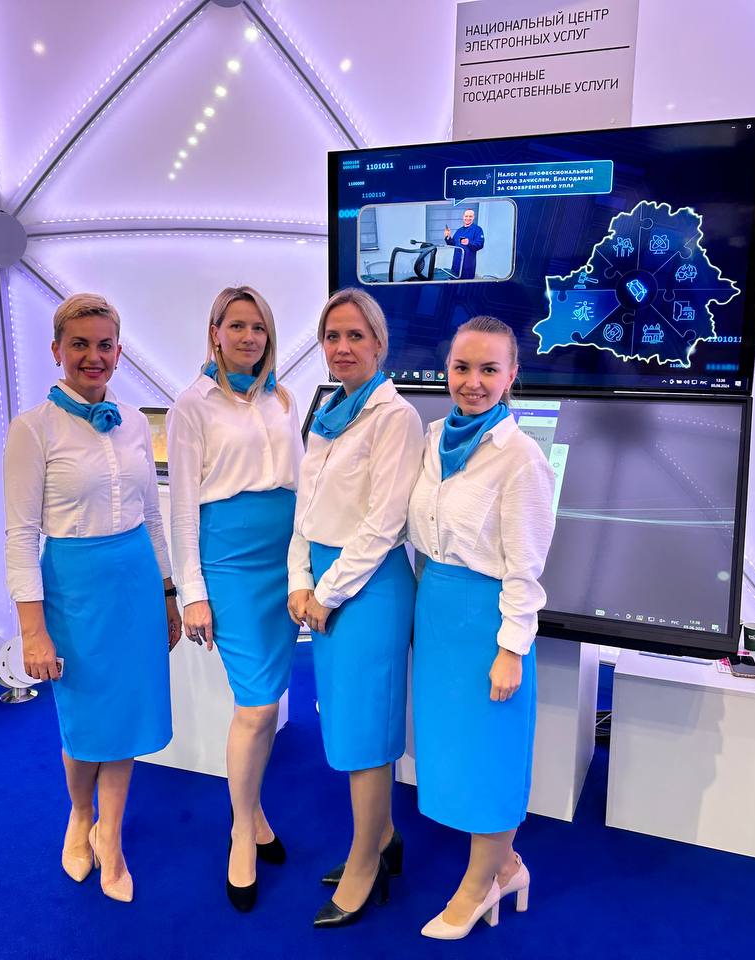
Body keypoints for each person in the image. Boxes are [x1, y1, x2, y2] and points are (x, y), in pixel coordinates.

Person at [3, 292, 181, 904]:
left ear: (119, 351)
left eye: (104, 345)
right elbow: (20, 536)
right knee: (84, 716)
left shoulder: (133, 422)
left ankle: (113, 834)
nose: (93, 356)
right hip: (73, 587)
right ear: (56, 350)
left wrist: (167, 593)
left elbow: (151, 516)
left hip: (134, 580)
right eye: (79, 344)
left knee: (125, 713)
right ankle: (80, 816)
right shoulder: (31, 429)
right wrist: (32, 630)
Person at [406, 315, 556, 939]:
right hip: (436, 608)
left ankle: (477, 887)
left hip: (487, 620)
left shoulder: (521, 458)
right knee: (453, 749)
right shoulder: (433, 438)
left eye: (489, 369)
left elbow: (526, 567)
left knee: (491, 755)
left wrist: (511, 648)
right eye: (462, 367)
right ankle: (509, 867)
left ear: (512, 374)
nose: (473, 381)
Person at [288, 288, 425, 928]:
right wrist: (299, 580)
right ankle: (384, 838)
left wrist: (325, 591)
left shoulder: (395, 417)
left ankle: (366, 862)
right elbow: (306, 509)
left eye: (355, 336)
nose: (342, 347)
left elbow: (382, 523)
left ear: (378, 344)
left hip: (367, 589)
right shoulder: (329, 411)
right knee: (347, 723)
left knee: (366, 735)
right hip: (326, 582)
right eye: (332, 336)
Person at [166, 286, 304, 913]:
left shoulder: (282, 398)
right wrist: (191, 592)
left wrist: (304, 566)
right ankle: (241, 831)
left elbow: (300, 484)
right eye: (238, 326)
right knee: (255, 705)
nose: (249, 337)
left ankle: (253, 811)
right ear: (215, 331)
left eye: (259, 327)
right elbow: (182, 510)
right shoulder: (191, 405)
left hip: (284, 558)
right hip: (229, 563)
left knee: (269, 700)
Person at [443, 208, 485, 280]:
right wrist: (448, 237)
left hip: (468, 263)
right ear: (463, 217)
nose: (468, 218)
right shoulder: (459, 230)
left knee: (466, 284)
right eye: (466, 216)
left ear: (473, 217)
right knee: (454, 281)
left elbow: (480, 244)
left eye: (470, 216)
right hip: (456, 263)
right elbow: (453, 243)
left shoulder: (478, 229)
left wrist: (469, 242)